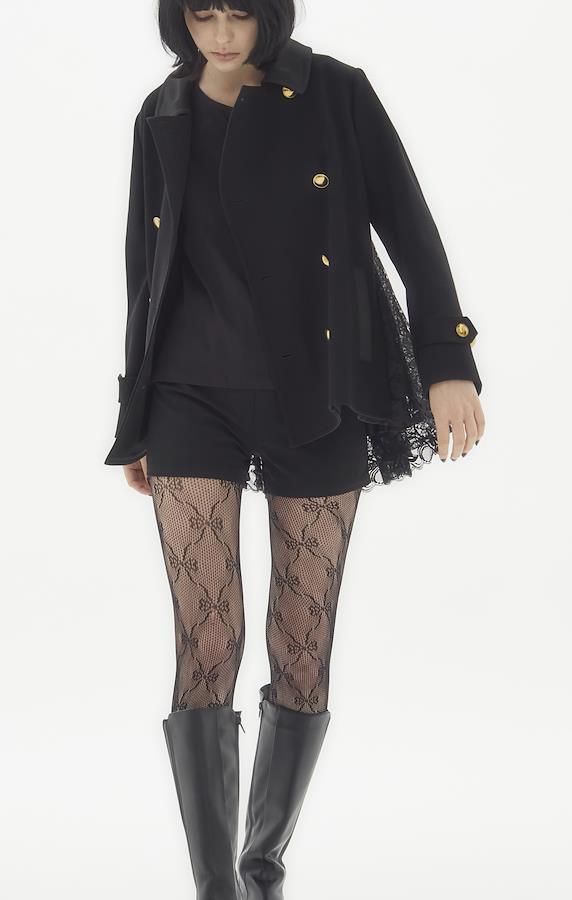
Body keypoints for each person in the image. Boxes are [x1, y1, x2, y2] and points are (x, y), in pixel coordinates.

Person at [104, 1, 486, 897]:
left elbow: (410, 228)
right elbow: (143, 272)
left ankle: (262, 865)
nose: (220, 33)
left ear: (269, 14)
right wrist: (137, 415)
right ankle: (216, 887)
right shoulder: (162, 110)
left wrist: (448, 362)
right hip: (189, 395)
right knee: (205, 636)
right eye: (202, 13)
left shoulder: (335, 94)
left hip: (319, 390)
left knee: (302, 646)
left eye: (240, 13)